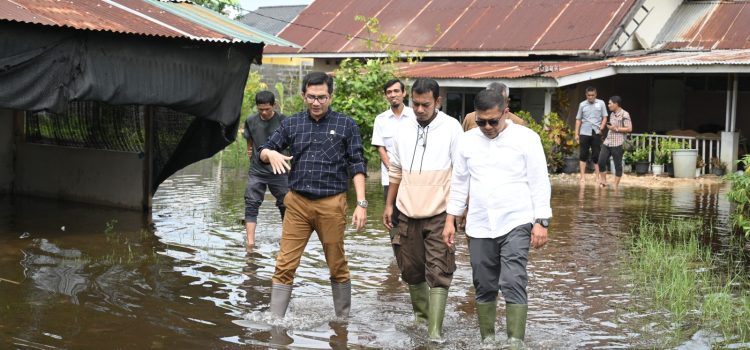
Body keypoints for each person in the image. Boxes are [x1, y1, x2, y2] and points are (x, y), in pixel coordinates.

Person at [443, 90, 551, 347]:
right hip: (479, 223)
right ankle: (488, 340)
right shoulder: (467, 142)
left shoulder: (527, 138)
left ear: (505, 112)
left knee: (513, 279)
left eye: (493, 121)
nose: (488, 127)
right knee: (483, 282)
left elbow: (539, 181)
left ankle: (515, 342)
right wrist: (450, 219)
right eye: (481, 122)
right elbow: (459, 183)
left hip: (517, 218)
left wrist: (541, 221)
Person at [259, 71, 368, 320]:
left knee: (336, 264)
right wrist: (270, 154)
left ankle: (342, 322)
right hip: (297, 202)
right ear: (303, 96)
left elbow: (357, 165)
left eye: (322, 97)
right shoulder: (292, 123)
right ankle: (275, 323)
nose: (316, 102)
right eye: (311, 97)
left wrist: (361, 203)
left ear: (331, 96)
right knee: (284, 264)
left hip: (332, 203)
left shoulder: (346, 124)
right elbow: (264, 150)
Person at [382, 78, 463, 342]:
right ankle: (421, 318)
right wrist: (388, 204)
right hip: (406, 211)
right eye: (414, 104)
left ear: (437, 102)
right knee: (411, 269)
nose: (418, 109)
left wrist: (455, 215)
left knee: (439, 271)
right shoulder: (402, 129)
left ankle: (435, 332)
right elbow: (395, 169)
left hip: (440, 213)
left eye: (425, 104)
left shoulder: (452, 128)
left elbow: (461, 174)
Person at [242, 91, 289, 248]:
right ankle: (250, 243)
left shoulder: (283, 121)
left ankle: (286, 240)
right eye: (260, 109)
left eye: (267, 109)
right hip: (257, 171)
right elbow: (249, 140)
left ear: (274, 106)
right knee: (251, 203)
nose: (263, 112)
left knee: (286, 204)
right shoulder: (251, 120)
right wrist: (250, 153)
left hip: (279, 170)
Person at [372, 79, 415, 229]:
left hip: (413, 177)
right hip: (390, 178)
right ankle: (397, 252)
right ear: (386, 96)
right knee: (393, 220)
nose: (393, 95)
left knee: (413, 218)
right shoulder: (381, 119)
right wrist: (392, 169)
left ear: (404, 93)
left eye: (396, 91)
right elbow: (380, 147)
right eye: (389, 92)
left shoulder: (415, 116)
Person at [574, 86, 608, 184]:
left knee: (596, 155)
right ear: (586, 95)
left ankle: (597, 177)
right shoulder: (582, 105)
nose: (590, 97)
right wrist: (576, 134)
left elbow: (605, 117)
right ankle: (582, 177)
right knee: (583, 154)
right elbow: (578, 119)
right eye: (589, 95)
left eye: (592, 95)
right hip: (584, 132)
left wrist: (602, 126)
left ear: (595, 95)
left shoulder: (601, 103)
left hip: (596, 131)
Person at [598, 96, 632, 188]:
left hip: (618, 143)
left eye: (610, 103)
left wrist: (615, 128)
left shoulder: (625, 114)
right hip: (608, 141)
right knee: (601, 161)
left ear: (616, 104)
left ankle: (615, 186)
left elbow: (629, 128)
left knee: (618, 165)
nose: (608, 105)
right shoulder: (612, 114)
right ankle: (604, 182)